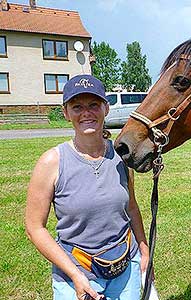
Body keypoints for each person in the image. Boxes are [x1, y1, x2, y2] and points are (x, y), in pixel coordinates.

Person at [25, 74, 149, 300]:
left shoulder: (121, 156)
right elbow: (35, 228)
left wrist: (143, 248)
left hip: (125, 269)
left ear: (106, 108)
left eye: (93, 105)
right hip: (77, 275)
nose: (86, 113)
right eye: (77, 106)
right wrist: (74, 275)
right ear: (65, 113)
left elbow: (131, 207)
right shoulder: (52, 162)